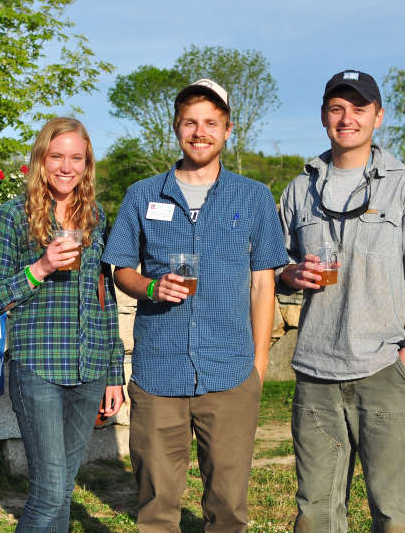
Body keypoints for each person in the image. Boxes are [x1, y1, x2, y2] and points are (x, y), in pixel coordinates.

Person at [102, 79, 288, 531]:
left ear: (227, 130)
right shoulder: (141, 195)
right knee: (156, 510)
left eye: (210, 123)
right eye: (190, 122)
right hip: (158, 374)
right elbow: (120, 269)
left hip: (230, 374)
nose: (199, 132)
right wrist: (150, 288)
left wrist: (258, 365)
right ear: (176, 128)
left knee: (227, 510)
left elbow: (264, 285)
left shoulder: (255, 197)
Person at [278, 69, 405, 532]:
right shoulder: (300, 189)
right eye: (337, 108)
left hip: (384, 369)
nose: (347, 118)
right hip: (316, 373)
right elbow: (275, 270)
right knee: (316, 512)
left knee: (395, 511)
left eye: (359, 109)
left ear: (378, 116)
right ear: (323, 116)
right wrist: (290, 274)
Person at [0, 116, 125, 532]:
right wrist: (40, 267)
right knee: (48, 491)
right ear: (40, 159)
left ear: (87, 164)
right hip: (39, 367)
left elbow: (106, 297)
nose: (66, 166)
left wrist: (114, 372)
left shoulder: (95, 216)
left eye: (76, 158)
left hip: (90, 369)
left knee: (62, 490)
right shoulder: (14, 216)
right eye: (56, 156)